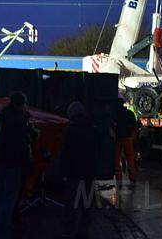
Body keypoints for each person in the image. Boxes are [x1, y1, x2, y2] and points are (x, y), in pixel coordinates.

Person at [0, 91, 34, 239]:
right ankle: (3, 233)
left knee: (1, 198)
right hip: (12, 163)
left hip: (0, 162)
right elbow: (21, 142)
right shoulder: (18, 120)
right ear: (20, 104)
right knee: (8, 199)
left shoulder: (2, 117)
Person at [59, 101, 99, 239]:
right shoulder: (92, 129)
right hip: (89, 174)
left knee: (71, 205)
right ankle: (83, 233)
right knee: (87, 206)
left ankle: (68, 232)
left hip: (74, 174)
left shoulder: (70, 130)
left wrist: (62, 172)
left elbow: (65, 153)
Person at [113, 96, 138, 185]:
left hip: (118, 139)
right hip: (127, 138)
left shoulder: (114, 114)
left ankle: (119, 180)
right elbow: (134, 125)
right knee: (130, 159)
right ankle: (132, 178)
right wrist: (133, 135)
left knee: (116, 160)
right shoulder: (129, 113)